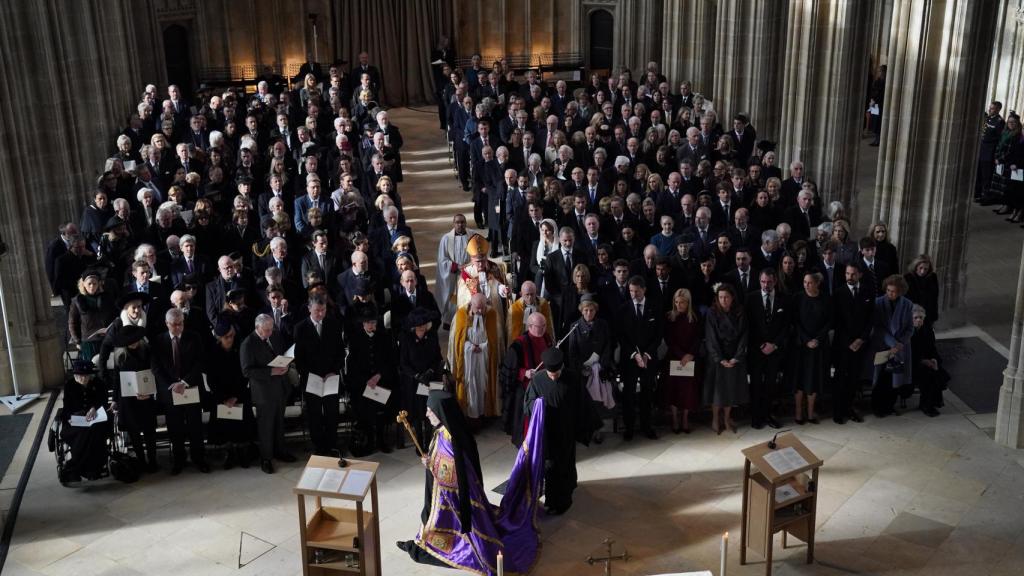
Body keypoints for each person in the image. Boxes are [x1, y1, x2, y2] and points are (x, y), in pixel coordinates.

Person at [398, 390, 543, 574]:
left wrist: (430, 464)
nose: (427, 414)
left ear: (440, 411)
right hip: (444, 494)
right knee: (427, 516)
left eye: (429, 410)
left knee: (438, 525)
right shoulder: (449, 430)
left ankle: (425, 545)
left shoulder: (450, 441)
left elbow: (450, 477)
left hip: (452, 503)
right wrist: (431, 461)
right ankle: (422, 540)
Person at [525, 347, 584, 515]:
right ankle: (552, 501)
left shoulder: (572, 378)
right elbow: (528, 403)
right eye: (551, 374)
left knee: (565, 464)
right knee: (550, 467)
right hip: (547, 433)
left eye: (556, 373)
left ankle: (565, 499)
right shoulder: (537, 381)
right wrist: (538, 406)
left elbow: (581, 403)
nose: (554, 377)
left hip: (566, 431)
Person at [152, 308, 209, 474]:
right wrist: (172, 385)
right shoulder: (158, 341)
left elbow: (200, 362)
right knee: (175, 428)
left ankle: (199, 458)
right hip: (170, 391)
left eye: (181, 324)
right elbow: (156, 368)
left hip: (190, 387)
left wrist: (184, 382)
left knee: (195, 426)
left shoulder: (194, 337)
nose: (178, 328)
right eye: (174, 325)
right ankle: (179, 460)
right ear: (167, 324)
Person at [240, 313, 295, 473]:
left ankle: (280, 451)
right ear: (258, 328)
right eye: (267, 330)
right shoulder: (248, 343)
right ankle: (266, 458)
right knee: (266, 426)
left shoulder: (275, 335)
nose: (270, 333)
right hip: (264, 392)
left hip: (280, 387)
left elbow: (282, 354)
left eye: (271, 329)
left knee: (279, 422)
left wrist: (286, 364)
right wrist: (271, 372)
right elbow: (247, 371)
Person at [346, 302, 399, 455]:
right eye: (368, 323)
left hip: (381, 381)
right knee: (364, 407)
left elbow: (391, 361)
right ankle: (369, 439)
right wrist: (366, 380)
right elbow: (352, 365)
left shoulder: (384, 336)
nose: (371, 325)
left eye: (374, 322)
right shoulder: (355, 339)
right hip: (362, 384)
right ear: (363, 323)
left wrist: (378, 375)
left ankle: (381, 439)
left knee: (383, 405)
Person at [294, 296, 345, 456]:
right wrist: (311, 375)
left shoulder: (334, 325)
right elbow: (299, 358)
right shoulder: (300, 328)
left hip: (330, 377)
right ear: (309, 308)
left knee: (332, 413)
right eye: (317, 310)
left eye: (323, 310)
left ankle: (331, 444)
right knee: (314, 414)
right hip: (312, 379)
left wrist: (333, 370)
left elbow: (340, 353)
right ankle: (319, 446)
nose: (320, 314)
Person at [107, 324, 160, 472]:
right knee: (134, 433)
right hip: (128, 400)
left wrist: (151, 393)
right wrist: (115, 400)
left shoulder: (147, 351)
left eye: (136, 339)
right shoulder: (120, 356)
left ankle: (153, 460)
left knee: (149, 432)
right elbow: (117, 380)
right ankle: (141, 461)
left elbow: (155, 373)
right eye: (130, 341)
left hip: (146, 397)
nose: (134, 342)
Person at [616, 275, 663, 440]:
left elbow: (658, 335)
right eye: (630, 291)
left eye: (636, 291)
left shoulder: (655, 307)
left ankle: (647, 426)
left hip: (649, 358)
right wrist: (635, 355)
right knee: (628, 394)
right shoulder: (623, 309)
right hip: (629, 359)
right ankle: (629, 427)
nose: (633, 294)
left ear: (644, 290)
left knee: (647, 393)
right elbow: (621, 336)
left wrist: (646, 354)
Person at [563, 295, 614, 442]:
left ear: (596, 310)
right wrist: (581, 368)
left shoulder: (603, 325)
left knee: (597, 401)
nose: (588, 313)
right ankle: (585, 429)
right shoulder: (574, 326)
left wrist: (602, 364)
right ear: (581, 310)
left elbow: (607, 346)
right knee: (584, 400)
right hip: (582, 371)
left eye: (591, 310)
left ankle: (598, 429)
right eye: (586, 310)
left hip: (600, 369)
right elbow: (572, 353)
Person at [206, 318, 253, 469]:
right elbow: (211, 380)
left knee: (242, 427)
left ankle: (243, 454)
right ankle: (228, 455)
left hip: (238, 394)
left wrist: (235, 397)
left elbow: (244, 374)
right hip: (221, 397)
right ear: (219, 338)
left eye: (232, 335)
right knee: (224, 428)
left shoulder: (240, 348)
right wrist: (224, 398)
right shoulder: (212, 352)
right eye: (227, 337)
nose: (230, 339)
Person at [746, 268, 790, 429]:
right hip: (756, 351)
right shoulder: (751, 298)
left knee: (771, 385)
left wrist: (775, 344)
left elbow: (786, 326)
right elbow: (748, 325)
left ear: (775, 282)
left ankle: (768, 415)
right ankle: (756, 416)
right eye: (763, 282)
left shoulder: (783, 299)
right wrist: (761, 345)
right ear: (759, 281)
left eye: (769, 282)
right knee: (756, 384)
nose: (766, 285)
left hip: (775, 351)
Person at [398, 307, 445, 450]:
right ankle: (419, 439)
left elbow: (438, 358)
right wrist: (417, 376)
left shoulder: (432, 336)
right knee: (418, 412)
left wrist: (430, 372)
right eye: (419, 327)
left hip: (430, 378)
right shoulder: (406, 338)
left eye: (424, 326)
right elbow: (403, 363)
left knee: (430, 409)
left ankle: (430, 439)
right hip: (414, 381)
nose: (422, 329)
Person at [60, 360, 114, 482]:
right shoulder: (70, 385)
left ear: (90, 375)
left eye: (85, 376)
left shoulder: (98, 384)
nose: (82, 379)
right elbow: (67, 407)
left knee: (94, 432)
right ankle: (90, 469)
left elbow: (103, 401)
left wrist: (94, 408)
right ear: (75, 376)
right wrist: (74, 415)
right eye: (79, 376)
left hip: (96, 421)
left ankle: (77, 467)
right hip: (75, 422)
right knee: (85, 433)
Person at [704, 283, 748, 434]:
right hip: (717, 357)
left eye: (726, 297)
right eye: (721, 297)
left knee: (730, 390)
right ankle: (715, 419)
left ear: (732, 298)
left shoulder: (739, 311)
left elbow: (744, 335)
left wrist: (737, 357)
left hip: (734, 356)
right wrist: (720, 359)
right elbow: (710, 338)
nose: (724, 300)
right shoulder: (711, 312)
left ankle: (727, 418)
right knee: (717, 392)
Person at [449, 293, 500, 420]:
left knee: (483, 384)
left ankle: (484, 414)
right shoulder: (460, 315)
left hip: (485, 359)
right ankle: (470, 416)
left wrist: (483, 347)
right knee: (470, 385)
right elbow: (457, 342)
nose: (480, 311)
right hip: (468, 360)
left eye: (483, 308)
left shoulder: (491, 314)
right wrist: (470, 347)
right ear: (471, 304)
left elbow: (496, 341)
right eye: (477, 308)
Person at [832, 264, 873, 424]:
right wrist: (850, 342)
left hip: (860, 343)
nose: (849, 276)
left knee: (854, 379)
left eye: (853, 274)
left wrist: (861, 339)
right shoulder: (838, 293)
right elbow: (836, 322)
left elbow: (870, 319)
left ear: (860, 275)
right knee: (840, 378)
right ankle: (838, 411)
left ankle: (849, 408)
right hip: (843, 344)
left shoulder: (867, 291)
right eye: (847, 273)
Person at [790, 273, 832, 425]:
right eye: (804, 282)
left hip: (819, 345)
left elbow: (829, 321)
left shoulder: (826, 298)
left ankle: (810, 413)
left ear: (817, 284)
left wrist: (817, 339)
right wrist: (807, 340)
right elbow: (795, 322)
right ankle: (798, 413)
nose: (806, 285)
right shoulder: (798, 297)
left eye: (810, 282)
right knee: (800, 379)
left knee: (813, 379)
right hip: (801, 345)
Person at [871, 275, 914, 417]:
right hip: (883, 346)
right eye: (888, 290)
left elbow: (909, 328)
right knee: (881, 378)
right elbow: (877, 327)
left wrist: (900, 343)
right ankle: (878, 408)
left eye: (893, 291)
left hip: (901, 347)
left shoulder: (907, 304)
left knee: (895, 378)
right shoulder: (878, 303)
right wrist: (893, 344)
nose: (890, 293)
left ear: (900, 291)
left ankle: (890, 406)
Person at [660, 288, 702, 434]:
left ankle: (685, 418)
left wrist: (690, 354)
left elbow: (698, 338)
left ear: (688, 302)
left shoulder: (695, 317)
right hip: (673, 357)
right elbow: (669, 340)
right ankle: (675, 419)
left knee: (688, 390)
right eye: (676, 302)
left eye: (682, 302)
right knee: (672, 389)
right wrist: (681, 355)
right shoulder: (669, 316)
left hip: (690, 358)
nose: (679, 305)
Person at [68, 270, 117, 362]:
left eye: (94, 283)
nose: (92, 286)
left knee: (107, 366)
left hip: (106, 339)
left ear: (99, 284)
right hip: (88, 341)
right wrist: (77, 341)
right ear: (83, 284)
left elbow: (114, 316)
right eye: (89, 284)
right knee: (91, 368)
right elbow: (72, 322)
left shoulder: (106, 297)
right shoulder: (77, 300)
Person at [434, 214, 471, 329]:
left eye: (462, 222)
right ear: (453, 224)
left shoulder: (472, 236)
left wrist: (469, 266)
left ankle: (468, 318)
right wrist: (456, 266)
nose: (460, 225)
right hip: (453, 274)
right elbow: (442, 260)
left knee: (468, 295)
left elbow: (477, 254)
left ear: (466, 223)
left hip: (468, 272)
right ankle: (449, 321)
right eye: (457, 222)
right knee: (452, 297)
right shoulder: (446, 239)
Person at [910, 304, 945, 417]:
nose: (919, 320)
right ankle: (927, 405)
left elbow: (932, 347)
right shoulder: (908, 331)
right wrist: (923, 361)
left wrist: (934, 359)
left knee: (937, 372)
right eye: (915, 317)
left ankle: (929, 403)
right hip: (912, 362)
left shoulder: (927, 329)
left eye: (921, 317)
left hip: (927, 359)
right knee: (928, 375)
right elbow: (908, 351)